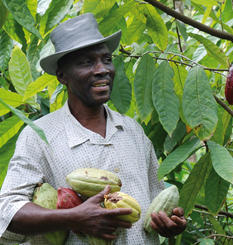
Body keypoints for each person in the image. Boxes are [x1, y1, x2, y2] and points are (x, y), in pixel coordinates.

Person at [0, 13, 186, 244]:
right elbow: (7, 210)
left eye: (106, 59)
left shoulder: (132, 131)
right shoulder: (39, 136)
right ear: (62, 76)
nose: (102, 70)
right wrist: (72, 217)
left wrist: (168, 222)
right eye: (87, 62)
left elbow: (156, 200)